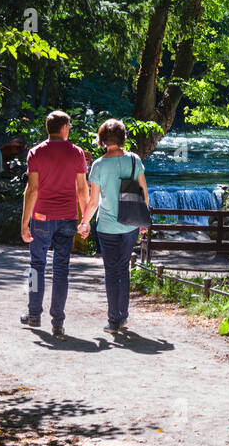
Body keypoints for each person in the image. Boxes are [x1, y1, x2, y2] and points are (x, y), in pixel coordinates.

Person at [20, 111, 88, 338]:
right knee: (61, 270)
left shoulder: (36, 152)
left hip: (41, 217)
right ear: (64, 128)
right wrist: (85, 220)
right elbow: (82, 189)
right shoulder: (77, 153)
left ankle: (33, 314)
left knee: (36, 265)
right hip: (68, 218)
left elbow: (32, 190)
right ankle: (58, 321)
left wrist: (24, 222)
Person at [80, 119, 149, 336]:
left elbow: (93, 202)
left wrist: (84, 223)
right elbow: (144, 193)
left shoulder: (98, 165)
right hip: (130, 224)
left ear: (102, 140)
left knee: (111, 272)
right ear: (123, 138)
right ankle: (124, 315)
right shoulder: (134, 160)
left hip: (107, 226)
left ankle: (113, 320)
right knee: (123, 269)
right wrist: (143, 221)